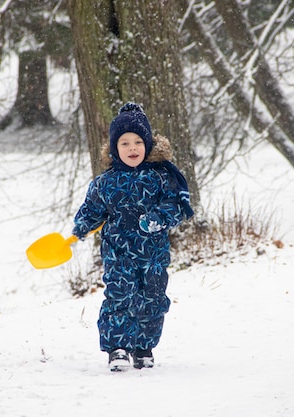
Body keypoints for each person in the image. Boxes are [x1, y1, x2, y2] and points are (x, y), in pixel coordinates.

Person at [72, 102, 194, 371]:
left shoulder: (161, 177)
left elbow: (175, 205)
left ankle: (143, 347)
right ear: (115, 148)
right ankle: (117, 347)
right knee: (120, 296)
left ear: (148, 145)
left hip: (153, 253)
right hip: (118, 252)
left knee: (152, 297)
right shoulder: (105, 182)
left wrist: (159, 217)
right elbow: (93, 209)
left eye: (138, 142)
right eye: (124, 143)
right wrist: (81, 226)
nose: (132, 148)